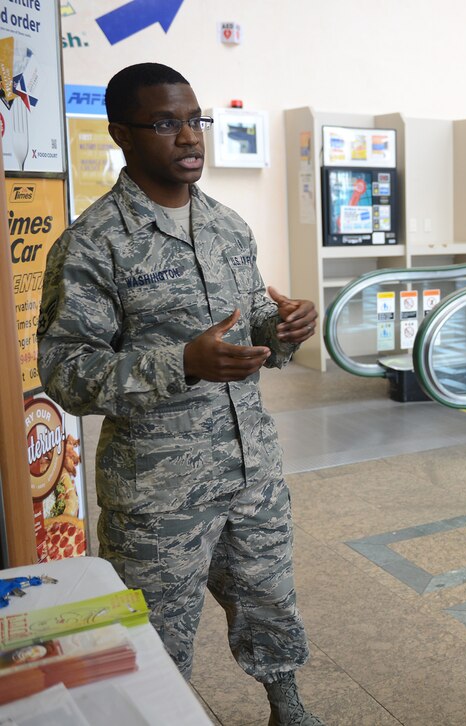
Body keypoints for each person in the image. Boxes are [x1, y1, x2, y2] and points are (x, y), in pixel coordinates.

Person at [37, 63, 325, 726]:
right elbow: (67, 373)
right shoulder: (93, 244)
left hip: (250, 470)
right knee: (152, 640)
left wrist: (282, 329)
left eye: (195, 120)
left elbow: (254, 323)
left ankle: (287, 703)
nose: (189, 137)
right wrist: (182, 363)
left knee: (270, 599)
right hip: (157, 495)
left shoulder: (228, 228)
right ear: (122, 135)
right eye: (166, 123)